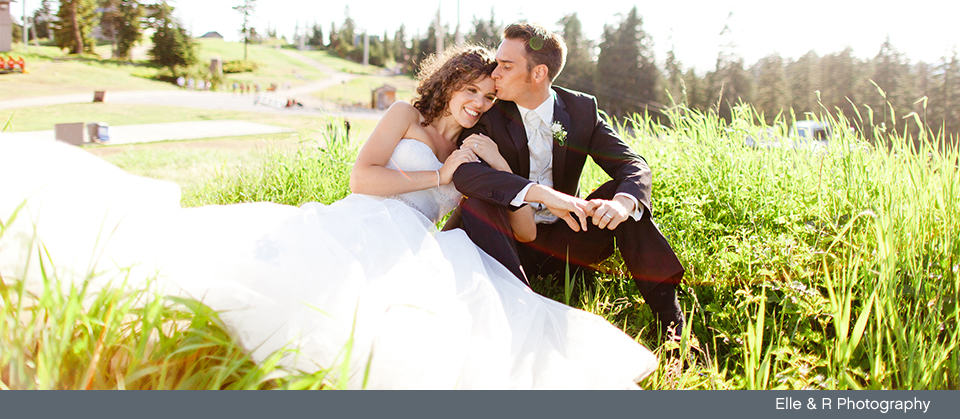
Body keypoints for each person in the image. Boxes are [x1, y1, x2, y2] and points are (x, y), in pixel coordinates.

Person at [0, 44, 656, 389]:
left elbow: (512, 227)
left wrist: (525, 194)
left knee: (475, 329)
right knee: (250, 275)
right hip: (356, 220)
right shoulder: (404, 115)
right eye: (471, 90)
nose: (478, 103)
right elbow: (362, 178)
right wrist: (442, 174)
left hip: (415, 248)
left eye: (488, 97)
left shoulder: (477, 144)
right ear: (450, 83)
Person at [450, 22, 687, 339]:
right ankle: (520, 310)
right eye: (497, 65)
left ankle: (672, 327)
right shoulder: (489, 113)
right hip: (507, 243)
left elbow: (632, 164)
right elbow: (466, 174)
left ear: (538, 74)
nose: (494, 74)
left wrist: (621, 205)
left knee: (626, 199)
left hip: (567, 242)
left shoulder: (580, 110)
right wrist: (536, 192)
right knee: (479, 203)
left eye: (505, 67)